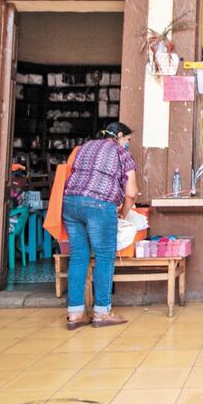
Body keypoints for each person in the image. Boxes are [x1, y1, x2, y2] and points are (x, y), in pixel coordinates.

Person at [63, 122, 138, 330]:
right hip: (98, 204)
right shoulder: (121, 153)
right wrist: (123, 214)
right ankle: (102, 312)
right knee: (104, 257)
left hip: (70, 202)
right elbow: (131, 192)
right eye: (128, 140)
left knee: (78, 256)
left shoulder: (85, 147)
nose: (128, 144)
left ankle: (75, 314)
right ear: (120, 135)